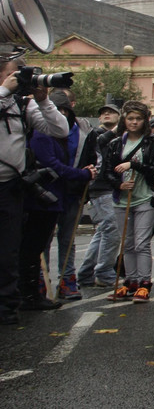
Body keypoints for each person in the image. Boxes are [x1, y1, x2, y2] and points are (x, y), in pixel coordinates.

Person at [0, 57, 70, 324]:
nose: (22, 79)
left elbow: (59, 129)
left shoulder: (23, 104)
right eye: (15, 74)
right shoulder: (6, 96)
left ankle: (7, 309)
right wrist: (5, 91)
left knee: (8, 250)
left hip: (10, 186)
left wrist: (43, 100)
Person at [44, 88, 98, 301]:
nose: (61, 114)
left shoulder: (83, 130)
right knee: (44, 240)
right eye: (56, 110)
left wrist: (90, 172)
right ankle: (42, 280)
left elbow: (91, 158)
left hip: (72, 193)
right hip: (47, 192)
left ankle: (67, 280)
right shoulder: (44, 129)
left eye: (64, 110)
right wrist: (80, 173)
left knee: (67, 239)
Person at [103, 101, 154, 303]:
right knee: (127, 243)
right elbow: (107, 171)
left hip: (145, 197)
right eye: (130, 118)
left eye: (138, 119)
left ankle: (145, 283)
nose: (134, 122)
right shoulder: (115, 143)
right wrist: (118, 185)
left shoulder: (152, 143)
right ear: (124, 120)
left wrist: (134, 164)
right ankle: (130, 281)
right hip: (122, 200)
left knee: (141, 243)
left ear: (145, 121)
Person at [77, 102, 121, 289]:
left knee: (104, 230)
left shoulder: (121, 137)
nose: (106, 115)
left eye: (111, 112)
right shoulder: (95, 134)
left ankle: (87, 273)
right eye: (103, 113)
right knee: (112, 229)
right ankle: (103, 272)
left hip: (111, 188)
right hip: (100, 187)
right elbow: (98, 146)